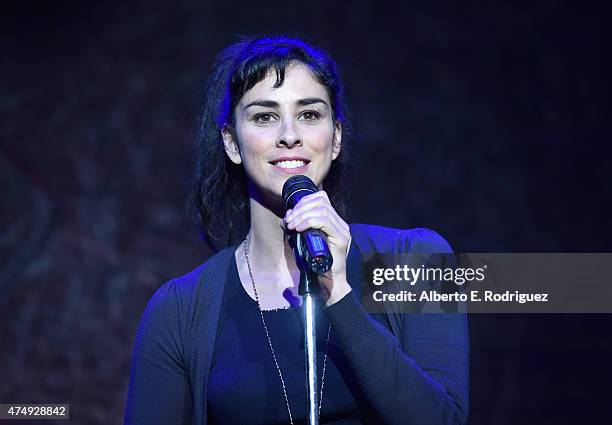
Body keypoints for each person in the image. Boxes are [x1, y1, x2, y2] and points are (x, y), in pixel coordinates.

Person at [124, 35, 469, 425]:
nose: (290, 135)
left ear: (335, 138)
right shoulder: (180, 310)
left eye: (309, 114)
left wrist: (338, 293)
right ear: (232, 143)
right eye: (264, 117)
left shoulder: (417, 260)